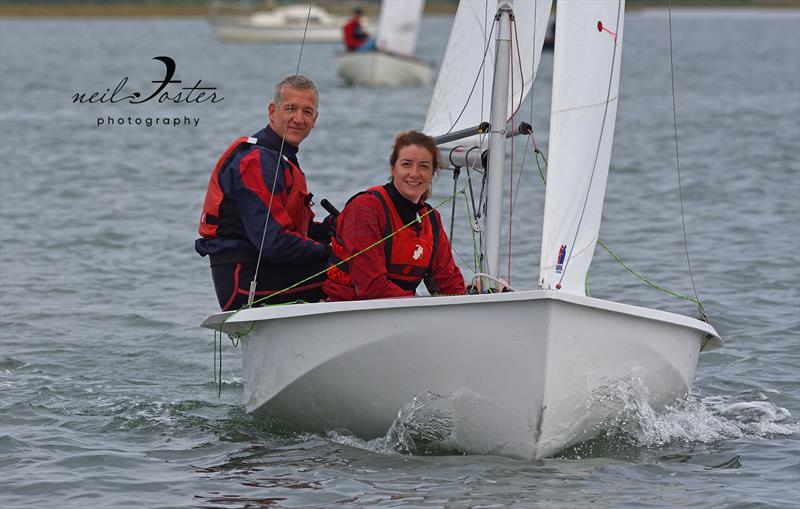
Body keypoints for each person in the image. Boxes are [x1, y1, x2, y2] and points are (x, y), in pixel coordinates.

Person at [196, 75, 333, 310]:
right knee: (351, 266)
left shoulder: (282, 159)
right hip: (243, 284)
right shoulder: (256, 161)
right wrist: (330, 250)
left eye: (307, 112)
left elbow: (302, 232)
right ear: (273, 112)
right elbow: (273, 242)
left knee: (357, 257)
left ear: (315, 119)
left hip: (270, 270)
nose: (298, 119)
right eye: (291, 108)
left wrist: (339, 226)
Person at [324, 131, 465, 301]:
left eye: (424, 166)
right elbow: (371, 287)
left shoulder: (431, 219)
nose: (414, 173)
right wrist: (419, 304)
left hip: (401, 315)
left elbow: (449, 284)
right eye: (406, 164)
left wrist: (471, 300)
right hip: (348, 312)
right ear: (393, 168)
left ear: (432, 173)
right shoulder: (365, 209)